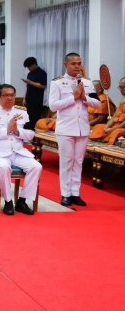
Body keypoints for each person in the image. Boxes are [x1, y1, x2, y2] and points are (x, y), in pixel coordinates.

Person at [47, 54, 101, 206]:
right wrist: (74, 97)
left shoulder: (87, 82)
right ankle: (65, 194)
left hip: (82, 127)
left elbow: (97, 104)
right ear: (66, 65)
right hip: (65, 128)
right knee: (67, 161)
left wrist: (84, 98)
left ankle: (75, 193)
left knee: (78, 161)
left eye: (79, 63)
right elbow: (53, 106)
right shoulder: (57, 83)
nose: (77, 66)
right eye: (73, 63)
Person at [0, 84, 41, 215]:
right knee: (3, 167)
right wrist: (6, 131)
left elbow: (31, 134)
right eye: (6, 95)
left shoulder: (22, 112)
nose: (10, 98)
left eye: (12, 95)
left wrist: (18, 131)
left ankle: (22, 201)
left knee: (36, 166)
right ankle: (8, 201)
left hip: (18, 152)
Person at [90, 78, 125, 146]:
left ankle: (107, 139)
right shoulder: (122, 101)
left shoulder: (103, 99)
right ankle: (102, 138)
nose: (120, 90)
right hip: (116, 125)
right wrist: (107, 126)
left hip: (121, 127)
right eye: (119, 87)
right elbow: (114, 117)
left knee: (116, 131)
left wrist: (112, 129)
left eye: (122, 87)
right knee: (99, 127)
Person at [22, 57, 48, 130]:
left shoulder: (42, 73)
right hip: (29, 99)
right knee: (28, 118)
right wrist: (24, 98)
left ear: (34, 64)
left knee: (35, 118)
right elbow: (28, 87)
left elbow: (43, 86)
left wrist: (30, 82)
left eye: (29, 67)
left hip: (37, 100)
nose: (28, 69)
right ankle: (27, 132)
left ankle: (34, 133)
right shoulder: (29, 74)